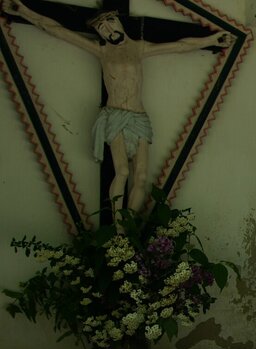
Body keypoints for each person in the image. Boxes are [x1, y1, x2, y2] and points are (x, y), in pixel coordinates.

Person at [2, 0, 234, 215]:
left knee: (142, 177)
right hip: (114, 116)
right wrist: (23, 11)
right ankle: (119, 229)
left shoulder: (140, 48)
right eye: (100, 27)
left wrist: (212, 40)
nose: (106, 28)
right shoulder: (102, 51)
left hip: (139, 117)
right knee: (122, 172)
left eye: (109, 21)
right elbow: (58, 30)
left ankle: (128, 233)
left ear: (119, 21)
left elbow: (181, 45)